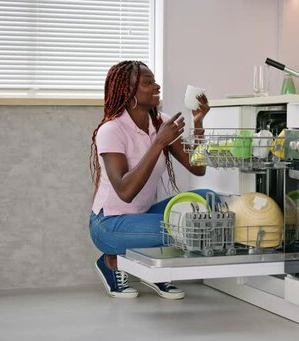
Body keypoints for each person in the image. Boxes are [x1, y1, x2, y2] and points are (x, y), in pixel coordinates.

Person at [88, 60, 214, 300]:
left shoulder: (160, 122)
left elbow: (197, 168)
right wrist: (158, 143)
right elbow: (125, 191)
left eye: (155, 80)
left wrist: (198, 126)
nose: (156, 86)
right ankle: (111, 261)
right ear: (129, 91)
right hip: (109, 224)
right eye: (148, 82)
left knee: (209, 201)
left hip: (142, 217)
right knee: (183, 227)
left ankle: (150, 265)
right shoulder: (111, 130)